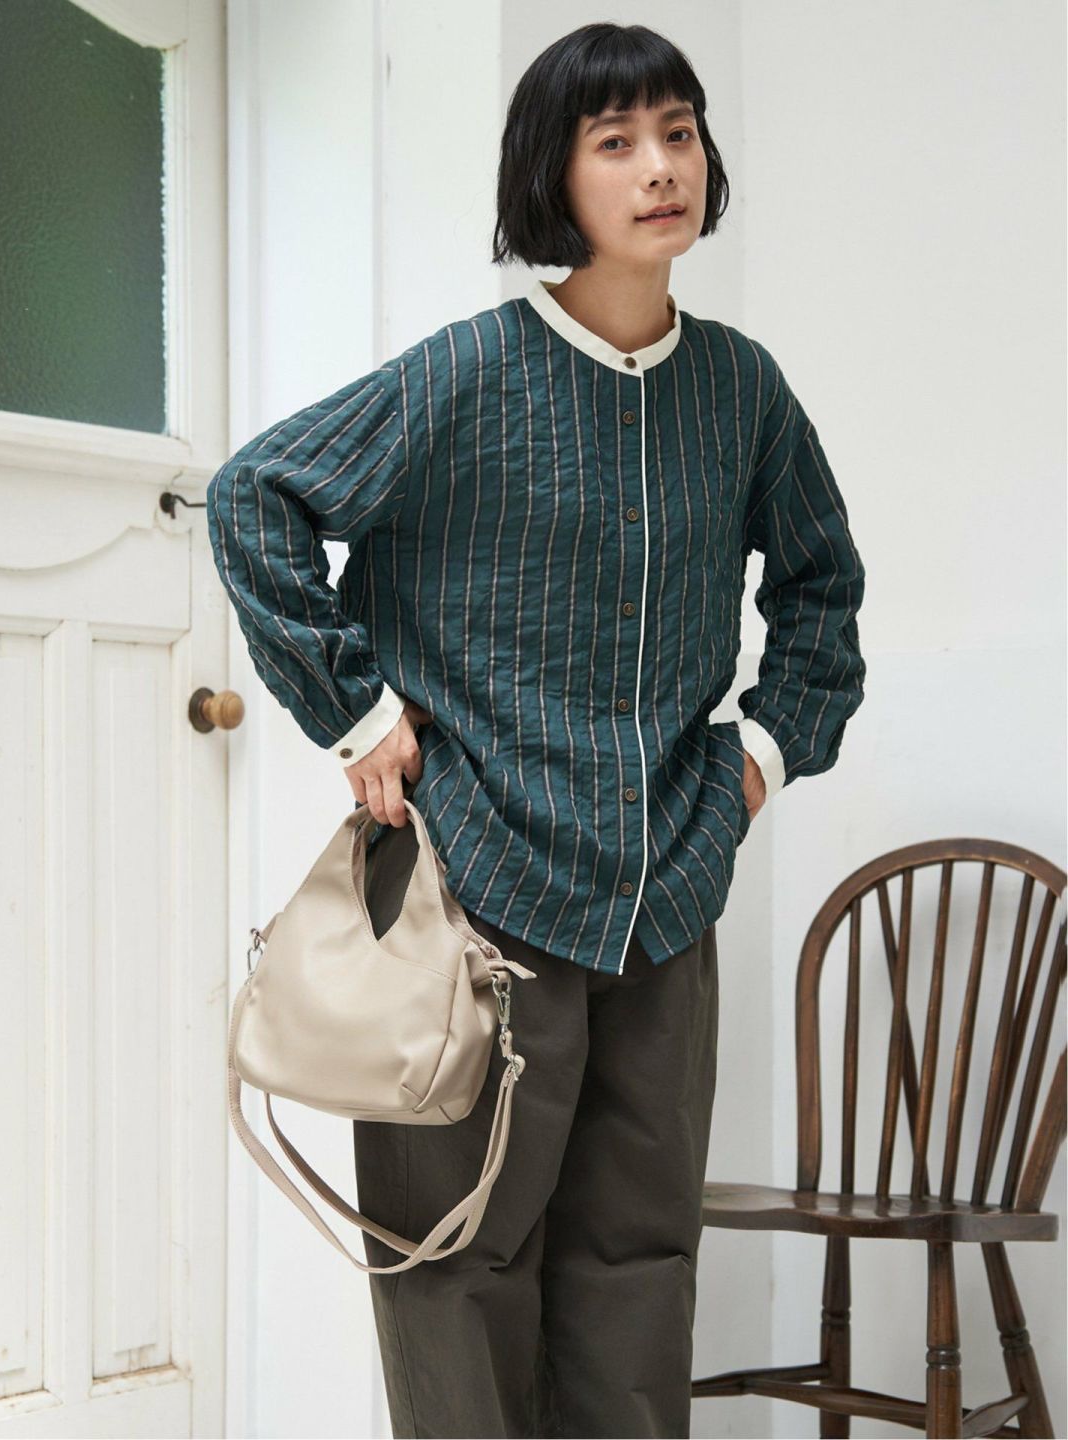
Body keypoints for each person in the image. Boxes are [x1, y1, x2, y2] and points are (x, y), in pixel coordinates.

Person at [206, 20, 866, 1438]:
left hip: (666, 893)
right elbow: (256, 497)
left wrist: (756, 760)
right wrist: (357, 714)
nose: (659, 167)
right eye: (615, 141)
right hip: (471, 890)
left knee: (640, 1264)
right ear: (552, 178)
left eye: (678, 133)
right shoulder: (466, 373)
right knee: (455, 1266)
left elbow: (823, 589)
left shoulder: (742, 390)